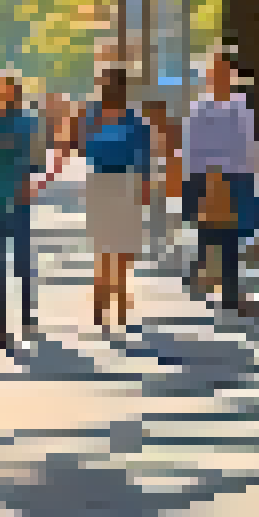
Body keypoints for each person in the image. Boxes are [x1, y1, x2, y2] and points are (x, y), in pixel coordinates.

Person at [183, 50, 259, 317]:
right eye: (215, 72)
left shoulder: (241, 107)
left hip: (234, 177)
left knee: (226, 234)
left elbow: (249, 145)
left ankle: (212, 276)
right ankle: (225, 290)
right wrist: (202, 178)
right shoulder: (200, 109)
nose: (220, 78)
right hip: (213, 178)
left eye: (224, 72)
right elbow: (193, 148)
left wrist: (251, 173)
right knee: (220, 233)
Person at [79, 67, 153, 331]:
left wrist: (144, 184)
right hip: (100, 184)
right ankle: (101, 304)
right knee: (102, 247)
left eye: (112, 85)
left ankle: (120, 301)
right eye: (104, 84)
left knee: (122, 248)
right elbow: (85, 148)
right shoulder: (93, 117)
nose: (107, 89)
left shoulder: (134, 120)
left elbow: (143, 154)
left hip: (125, 183)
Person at [0, 71, 42, 349]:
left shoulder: (27, 122)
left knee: (22, 260)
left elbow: (37, 160)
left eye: (1, 88)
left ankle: (26, 316)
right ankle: (1, 325)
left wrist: (28, 179)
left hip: (17, 197)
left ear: (14, 92)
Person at [142, 98, 183, 270]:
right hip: (153, 178)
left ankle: (165, 249)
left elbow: (175, 154)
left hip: (164, 177)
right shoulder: (145, 132)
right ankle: (158, 250)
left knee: (167, 216)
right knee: (155, 215)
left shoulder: (169, 132)